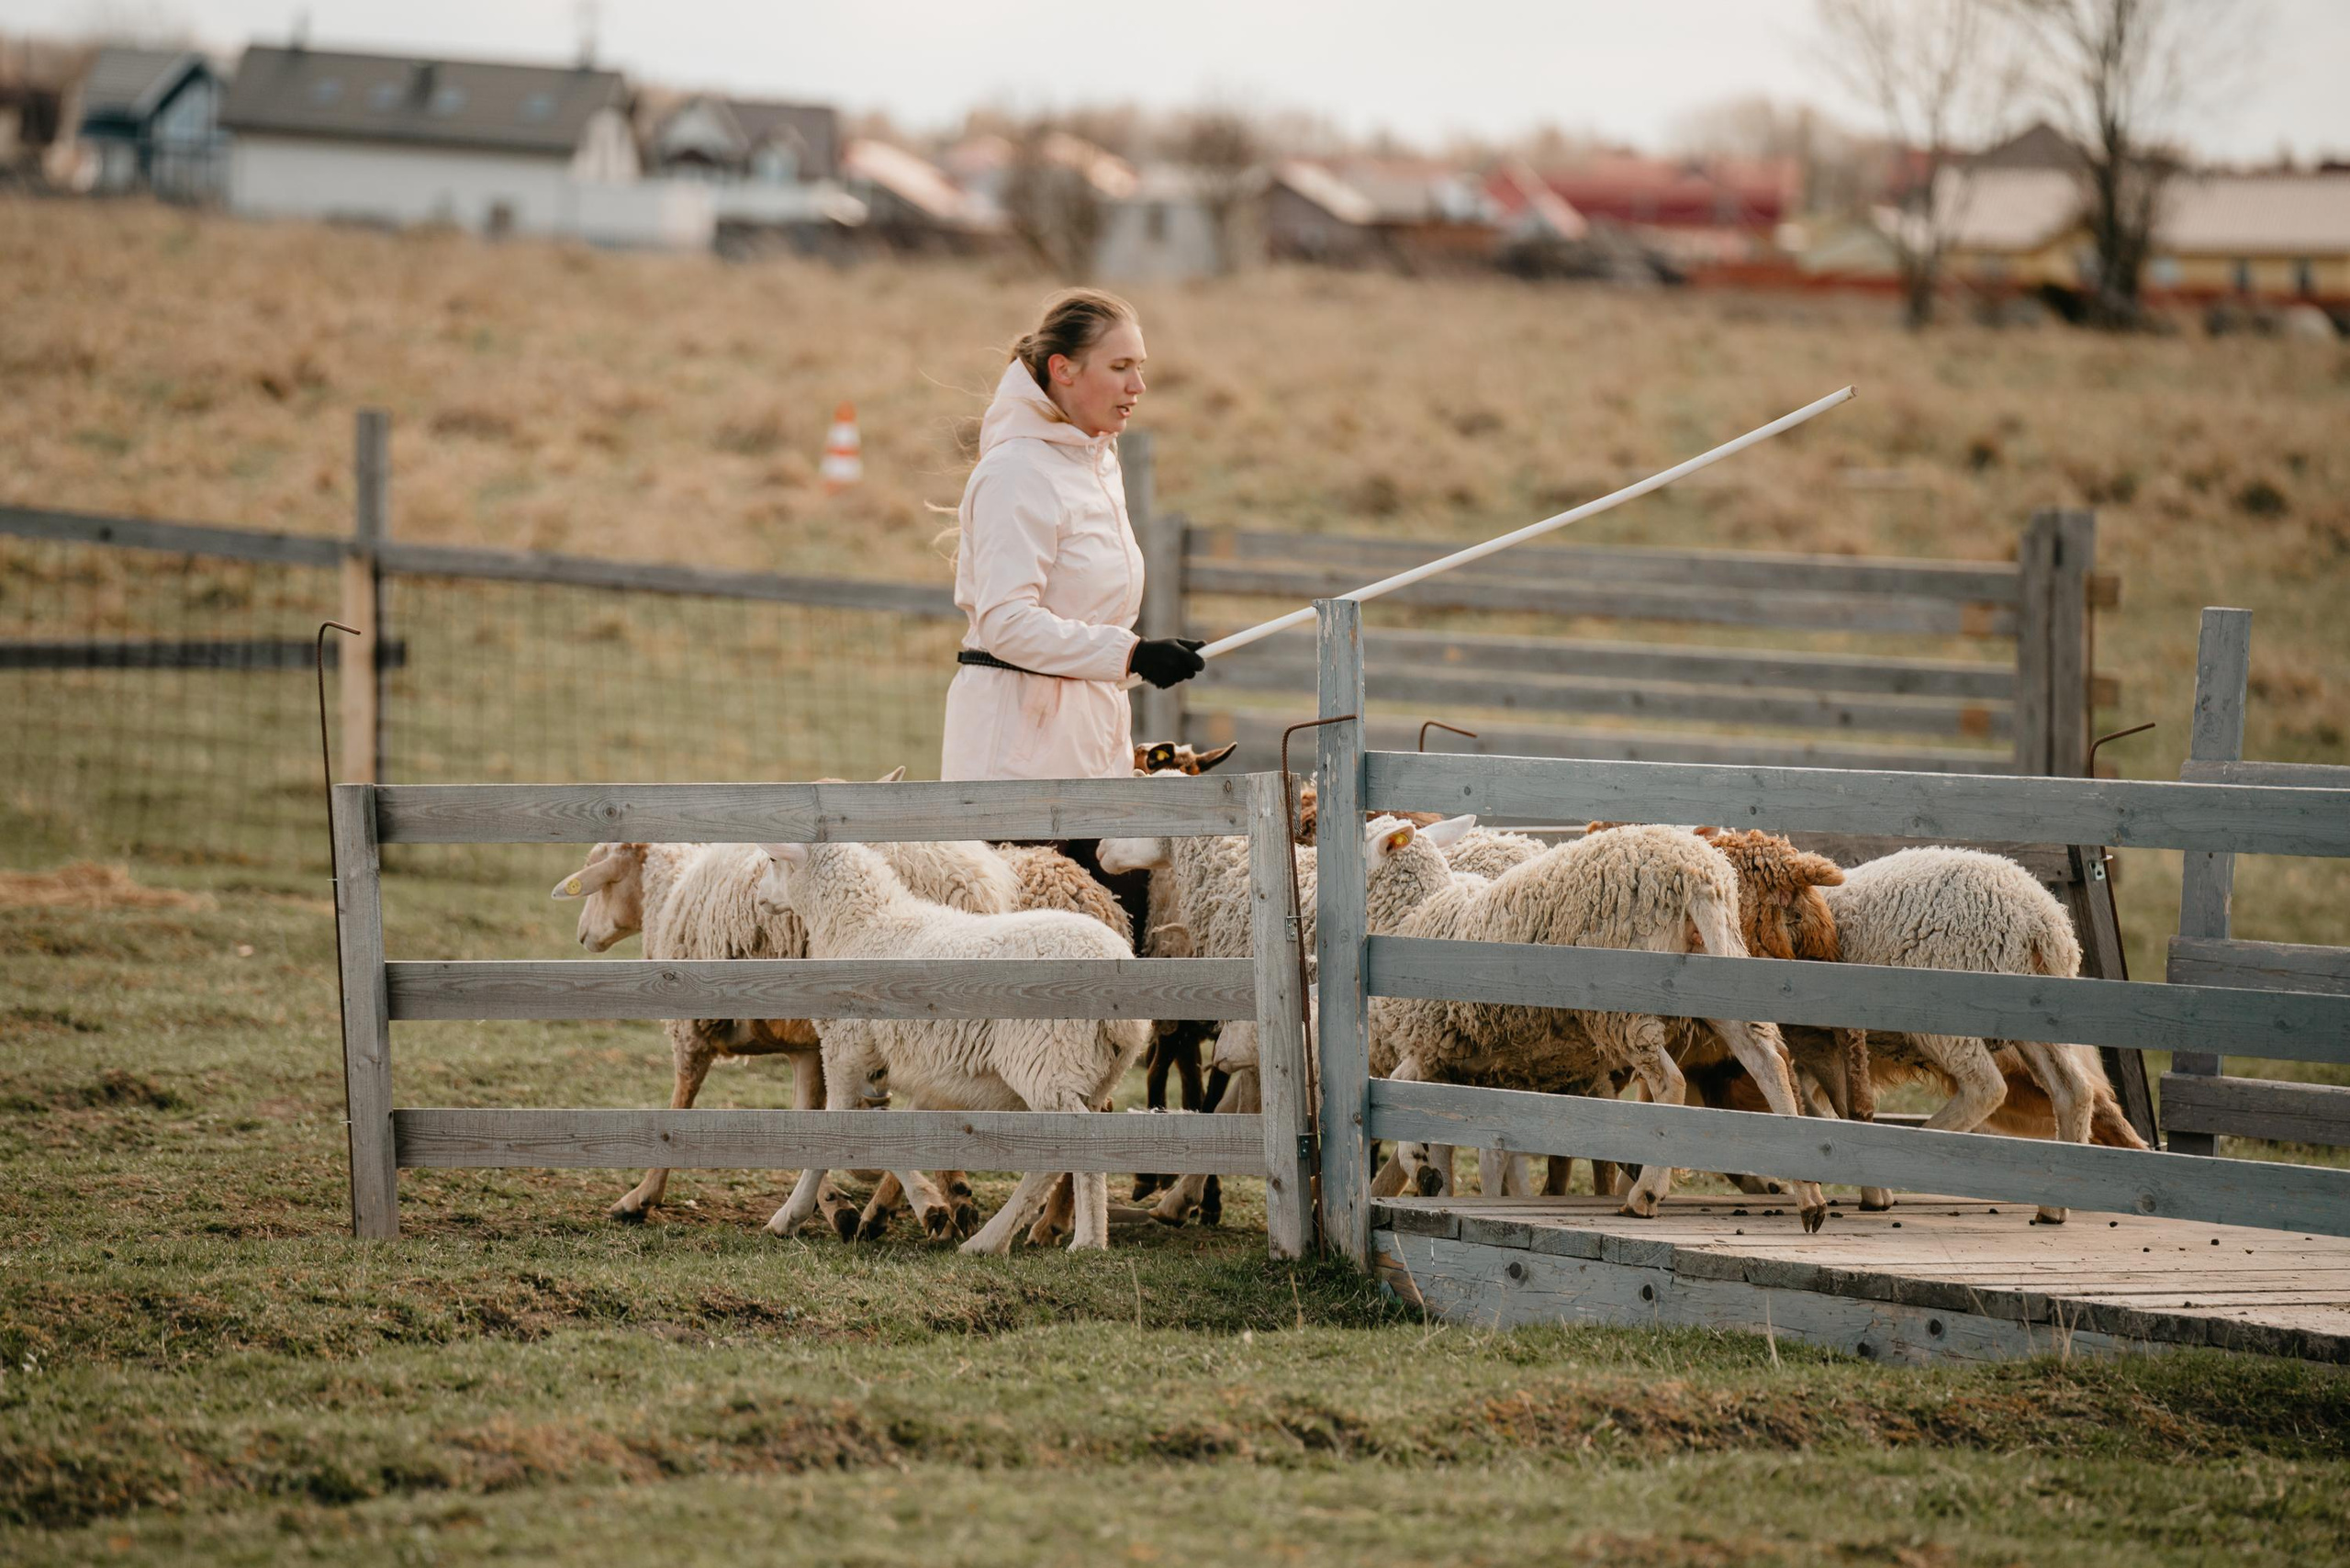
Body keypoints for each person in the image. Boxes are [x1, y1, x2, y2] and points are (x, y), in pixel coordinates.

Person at [939, 288, 1203, 785]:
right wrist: (1131, 653)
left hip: (1091, 750)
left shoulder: (1098, 466)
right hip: (1015, 764)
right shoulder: (1017, 472)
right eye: (1121, 366)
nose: (1139, 384)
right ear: (1063, 370)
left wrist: (1134, 659)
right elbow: (1007, 623)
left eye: (1140, 366)